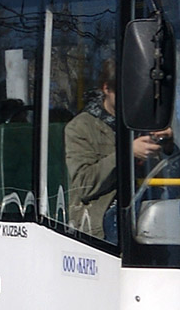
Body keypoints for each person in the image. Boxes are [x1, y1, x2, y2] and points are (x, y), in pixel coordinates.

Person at [64, 61, 172, 241]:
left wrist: (168, 148)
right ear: (106, 89)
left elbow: (171, 178)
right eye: (126, 92)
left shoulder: (144, 122)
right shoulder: (80, 127)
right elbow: (84, 185)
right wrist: (127, 154)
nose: (132, 99)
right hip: (105, 220)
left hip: (152, 211)